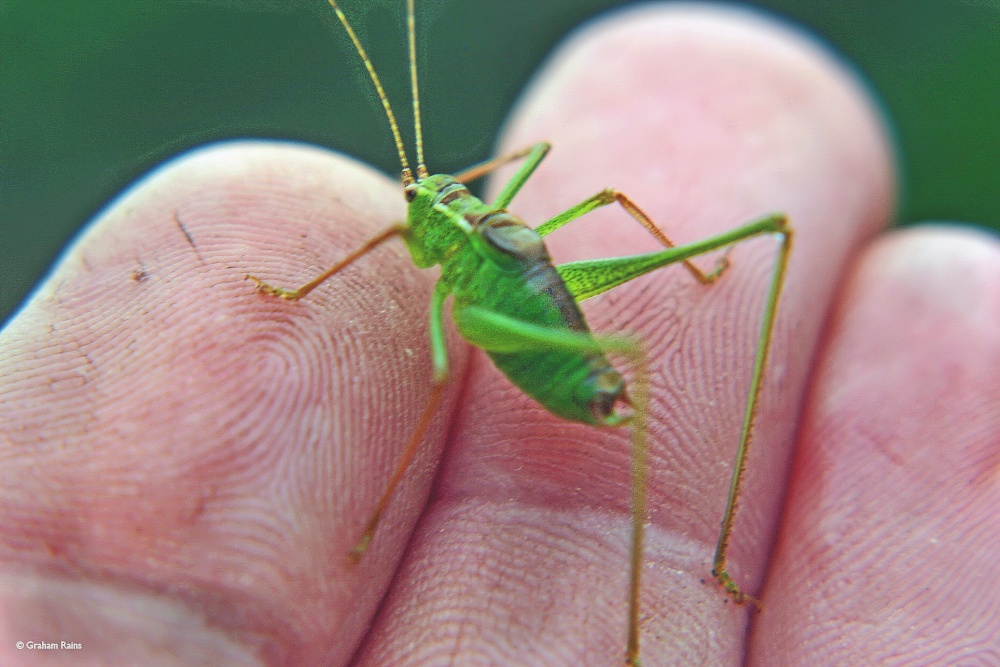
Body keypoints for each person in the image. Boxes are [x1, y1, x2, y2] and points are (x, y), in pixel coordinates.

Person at [1, 5, 997, 665]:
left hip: (538, 336)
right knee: (555, 223)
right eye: (429, 200)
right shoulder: (444, 216)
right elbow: (464, 199)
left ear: (454, 209)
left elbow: (443, 354)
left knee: (513, 345)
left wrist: (362, 516)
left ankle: (644, 639)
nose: (415, 215)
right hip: (514, 274)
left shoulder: (448, 253)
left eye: (433, 201)